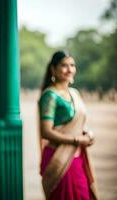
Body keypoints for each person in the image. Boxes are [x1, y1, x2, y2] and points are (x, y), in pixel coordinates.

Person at [38, 51, 99, 199]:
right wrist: (77, 140)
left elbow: (76, 124)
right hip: (58, 159)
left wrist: (87, 134)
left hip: (77, 158)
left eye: (72, 65)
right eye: (64, 65)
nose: (69, 69)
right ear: (53, 69)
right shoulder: (50, 96)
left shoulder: (74, 93)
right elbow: (46, 132)